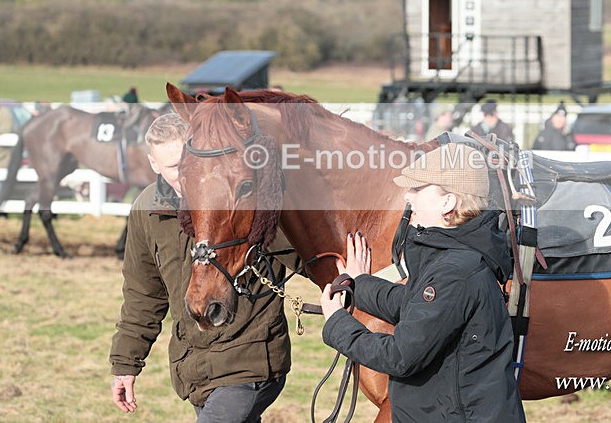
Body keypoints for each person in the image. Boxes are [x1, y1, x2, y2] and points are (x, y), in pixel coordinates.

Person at [320, 144, 525, 422]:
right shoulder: (452, 256)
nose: (408, 196)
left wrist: (336, 324)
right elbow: (414, 304)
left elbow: (400, 356)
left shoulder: (455, 271)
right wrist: (360, 284)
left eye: (418, 189)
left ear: (448, 203)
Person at [109, 113, 291, 422]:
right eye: (171, 168)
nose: (182, 175)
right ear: (153, 164)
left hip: (249, 357)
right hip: (193, 363)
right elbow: (143, 295)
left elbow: (301, 253)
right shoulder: (146, 209)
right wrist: (126, 364)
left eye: (185, 163)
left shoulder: (241, 194)